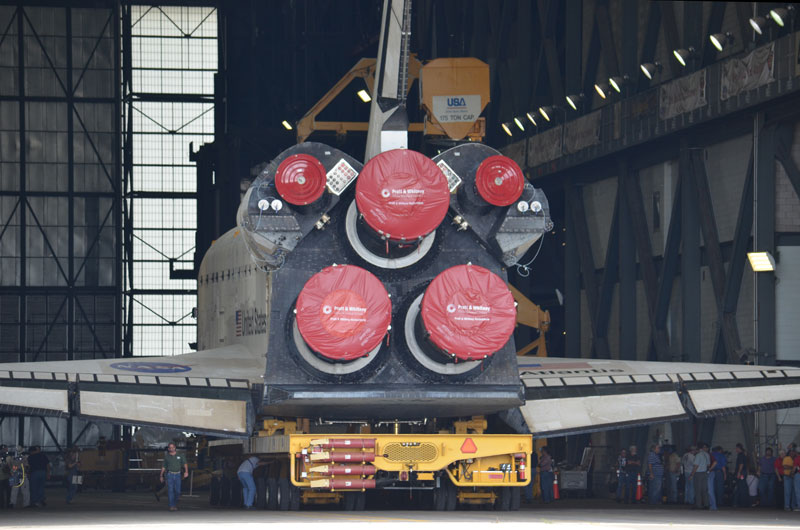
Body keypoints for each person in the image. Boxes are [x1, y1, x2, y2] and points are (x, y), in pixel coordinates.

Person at [159, 443, 189, 511]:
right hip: (170, 475)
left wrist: (186, 472)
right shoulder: (167, 457)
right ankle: (172, 505)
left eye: (173, 447)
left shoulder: (180, 455)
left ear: (175, 448)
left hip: (178, 475)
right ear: (168, 449)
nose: (171, 448)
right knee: (170, 490)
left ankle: (174, 504)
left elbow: (185, 464)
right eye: (170, 447)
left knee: (177, 491)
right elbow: (164, 467)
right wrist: (161, 475)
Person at [689, 443, 710, 509]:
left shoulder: (698, 455)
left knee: (698, 490)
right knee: (704, 490)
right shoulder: (707, 454)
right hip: (705, 473)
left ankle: (698, 505)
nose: (694, 451)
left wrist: (691, 475)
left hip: (698, 474)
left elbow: (696, 466)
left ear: (698, 449)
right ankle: (706, 504)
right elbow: (708, 465)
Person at [708, 446, 727, 510]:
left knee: (712, 487)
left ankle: (712, 502)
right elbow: (723, 466)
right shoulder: (721, 455)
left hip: (711, 471)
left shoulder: (710, 455)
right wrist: (725, 474)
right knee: (720, 487)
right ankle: (719, 502)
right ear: (720, 450)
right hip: (719, 472)